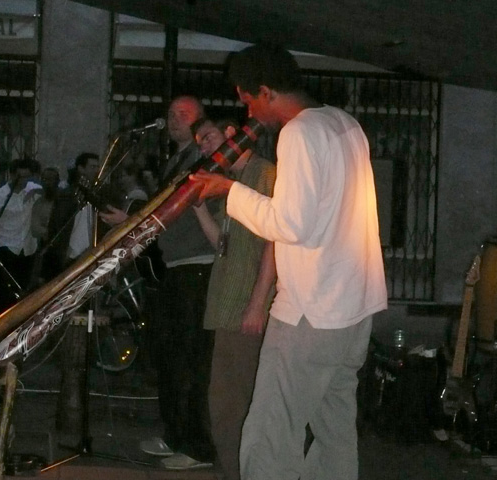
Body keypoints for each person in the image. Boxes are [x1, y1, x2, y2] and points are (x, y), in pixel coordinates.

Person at [191, 44, 388, 480]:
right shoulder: (345, 123)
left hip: (311, 311)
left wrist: (228, 190)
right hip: (355, 310)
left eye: (247, 99)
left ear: (265, 91)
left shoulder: (299, 133)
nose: (248, 110)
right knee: (335, 432)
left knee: (270, 435)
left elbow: (290, 224)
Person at [191, 116, 276, 480]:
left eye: (208, 137)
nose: (204, 146)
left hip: (246, 307)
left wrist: (258, 303)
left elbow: (276, 242)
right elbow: (223, 247)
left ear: (232, 135)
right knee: (224, 402)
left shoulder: (265, 174)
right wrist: (197, 210)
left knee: (231, 402)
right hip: (227, 303)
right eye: (199, 141)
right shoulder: (233, 185)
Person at [138, 95, 217, 471]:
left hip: (198, 266)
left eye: (181, 115)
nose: (172, 121)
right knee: (171, 355)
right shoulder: (176, 160)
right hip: (177, 264)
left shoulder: (204, 162)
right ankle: (175, 434)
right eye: (169, 114)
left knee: (189, 358)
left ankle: (198, 445)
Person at [0, 158, 42, 314]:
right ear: (12, 175)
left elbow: (50, 189)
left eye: (27, 177)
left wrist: (36, 191)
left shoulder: (32, 189)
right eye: (20, 177)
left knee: (24, 289)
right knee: (5, 292)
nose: (24, 181)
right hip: (6, 247)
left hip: (27, 247)